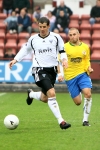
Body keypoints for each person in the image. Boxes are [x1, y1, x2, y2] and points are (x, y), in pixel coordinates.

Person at [8, 17, 71, 130]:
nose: (42, 29)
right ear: (38, 26)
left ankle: (31, 94)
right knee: (51, 92)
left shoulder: (56, 37)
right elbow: (25, 50)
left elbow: (62, 51)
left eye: (44, 27)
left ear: (48, 26)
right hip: (39, 69)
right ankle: (61, 121)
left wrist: (64, 60)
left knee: (45, 98)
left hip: (52, 70)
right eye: (40, 27)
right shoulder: (33, 39)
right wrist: (15, 59)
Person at [63, 28, 93, 126]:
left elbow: (87, 59)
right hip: (70, 76)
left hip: (82, 74)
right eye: (70, 35)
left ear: (79, 34)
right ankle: (77, 90)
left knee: (88, 94)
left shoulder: (85, 47)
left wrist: (89, 68)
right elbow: (60, 60)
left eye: (74, 34)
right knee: (78, 102)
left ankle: (85, 120)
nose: (72, 37)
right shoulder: (64, 47)